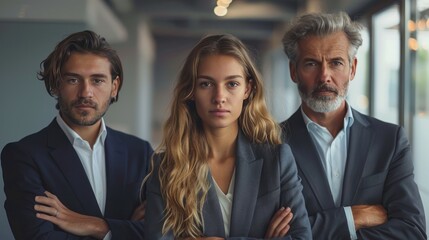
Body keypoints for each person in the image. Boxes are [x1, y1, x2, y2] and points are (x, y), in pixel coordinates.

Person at [144, 34, 311, 240]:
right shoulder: (166, 167)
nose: (219, 97)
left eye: (232, 84)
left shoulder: (277, 159)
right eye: (206, 84)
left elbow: (301, 237)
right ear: (192, 90)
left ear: (247, 89)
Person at [280, 11, 426, 239]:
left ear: (353, 68)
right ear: (293, 71)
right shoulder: (269, 143)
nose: (324, 76)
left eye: (336, 62)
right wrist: (353, 217)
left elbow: (412, 231)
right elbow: (269, 233)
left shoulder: (389, 140)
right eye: (311, 63)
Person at [1, 30, 153, 239]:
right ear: (56, 84)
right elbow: (38, 237)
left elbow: (162, 232)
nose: (85, 93)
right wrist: (123, 230)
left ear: (114, 87)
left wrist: (96, 226)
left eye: (97, 80)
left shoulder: (141, 152)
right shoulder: (24, 155)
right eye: (73, 80)